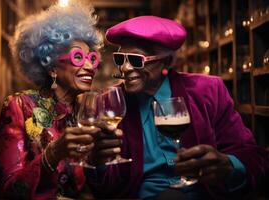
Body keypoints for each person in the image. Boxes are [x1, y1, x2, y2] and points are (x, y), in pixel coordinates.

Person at [86, 16, 269, 199]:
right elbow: (106, 188)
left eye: (135, 60)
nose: (124, 68)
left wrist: (228, 164)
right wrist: (97, 162)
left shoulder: (208, 91)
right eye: (120, 59)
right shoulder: (111, 103)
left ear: (165, 62)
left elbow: (253, 156)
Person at [0, 1, 122, 199]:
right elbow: (9, 191)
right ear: (51, 67)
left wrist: (100, 161)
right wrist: (52, 154)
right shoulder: (20, 106)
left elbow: (95, 189)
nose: (90, 66)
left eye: (92, 58)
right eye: (78, 57)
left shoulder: (86, 116)